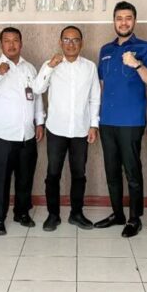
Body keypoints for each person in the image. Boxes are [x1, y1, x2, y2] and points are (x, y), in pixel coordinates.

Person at [95, 1, 147, 238]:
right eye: (119, 18)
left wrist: (137, 64)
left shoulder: (145, 48)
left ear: (135, 21)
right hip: (107, 120)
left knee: (132, 171)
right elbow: (102, 85)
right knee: (111, 170)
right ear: (114, 21)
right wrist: (96, 117)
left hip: (131, 120)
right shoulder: (105, 50)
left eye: (128, 18)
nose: (123, 22)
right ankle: (117, 214)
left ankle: (134, 218)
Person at [0, 27, 45, 236]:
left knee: (25, 177)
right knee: (0, 179)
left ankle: (21, 212)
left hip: (26, 133)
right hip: (1, 135)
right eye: (7, 41)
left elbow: (37, 96)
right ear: (1, 44)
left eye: (15, 40)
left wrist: (39, 122)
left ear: (21, 44)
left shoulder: (29, 68)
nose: (12, 44)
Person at [32, 26, 100, 231]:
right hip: (56, 129)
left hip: (80, 130)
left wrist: (94, 125)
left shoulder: (89, 67)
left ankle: (76, 214)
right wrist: (50, 67)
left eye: (75, 40)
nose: (71, 44)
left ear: (82, 43)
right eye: (66, 40)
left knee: (79, 174)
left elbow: (95, 97)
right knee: (53, 173)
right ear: (60, 42)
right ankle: (53, 215)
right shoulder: (51, 64)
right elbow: (37, 88)